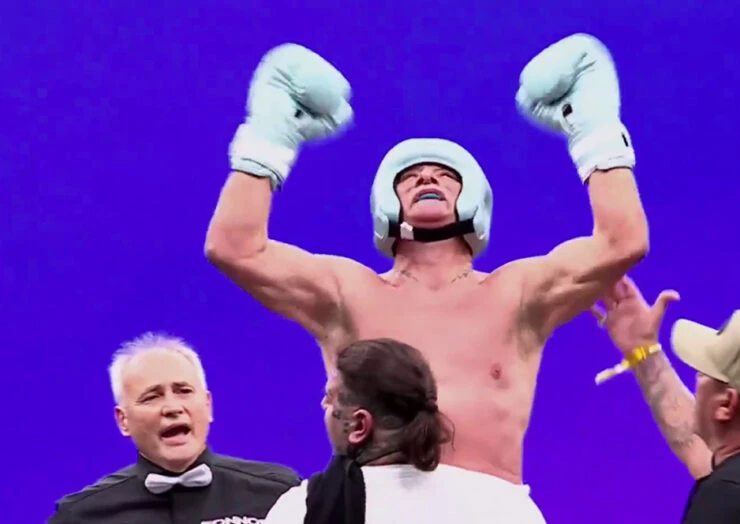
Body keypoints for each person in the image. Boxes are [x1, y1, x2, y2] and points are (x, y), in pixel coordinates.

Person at [205, 32, 648, 506]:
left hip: (489, 508)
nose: (427, 179)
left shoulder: (517, 292)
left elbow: (622, 241)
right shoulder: (348, 291)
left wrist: (594, 129)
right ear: (386, 204)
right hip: (373, 503)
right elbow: (235, 247)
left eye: (445, 175)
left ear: (473, 198)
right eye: (410, 178)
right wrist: (271, 136)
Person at [592, 276, 740, 523]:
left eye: (702, 373)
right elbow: (704, 456)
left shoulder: (730, 500)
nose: (698, 381)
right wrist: (642, 350)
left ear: (727, 404)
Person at [265, 338, 545, 524]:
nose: (322, 405)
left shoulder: (300, 509)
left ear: (360, 426)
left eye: (330, 398)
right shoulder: (506, 506)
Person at [48, 332, 300, 524]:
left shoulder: (278, 492)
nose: (172, 407)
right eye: (151, 397)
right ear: (123, 420)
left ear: (208, 405)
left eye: (183, 391)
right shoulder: (80, 516)